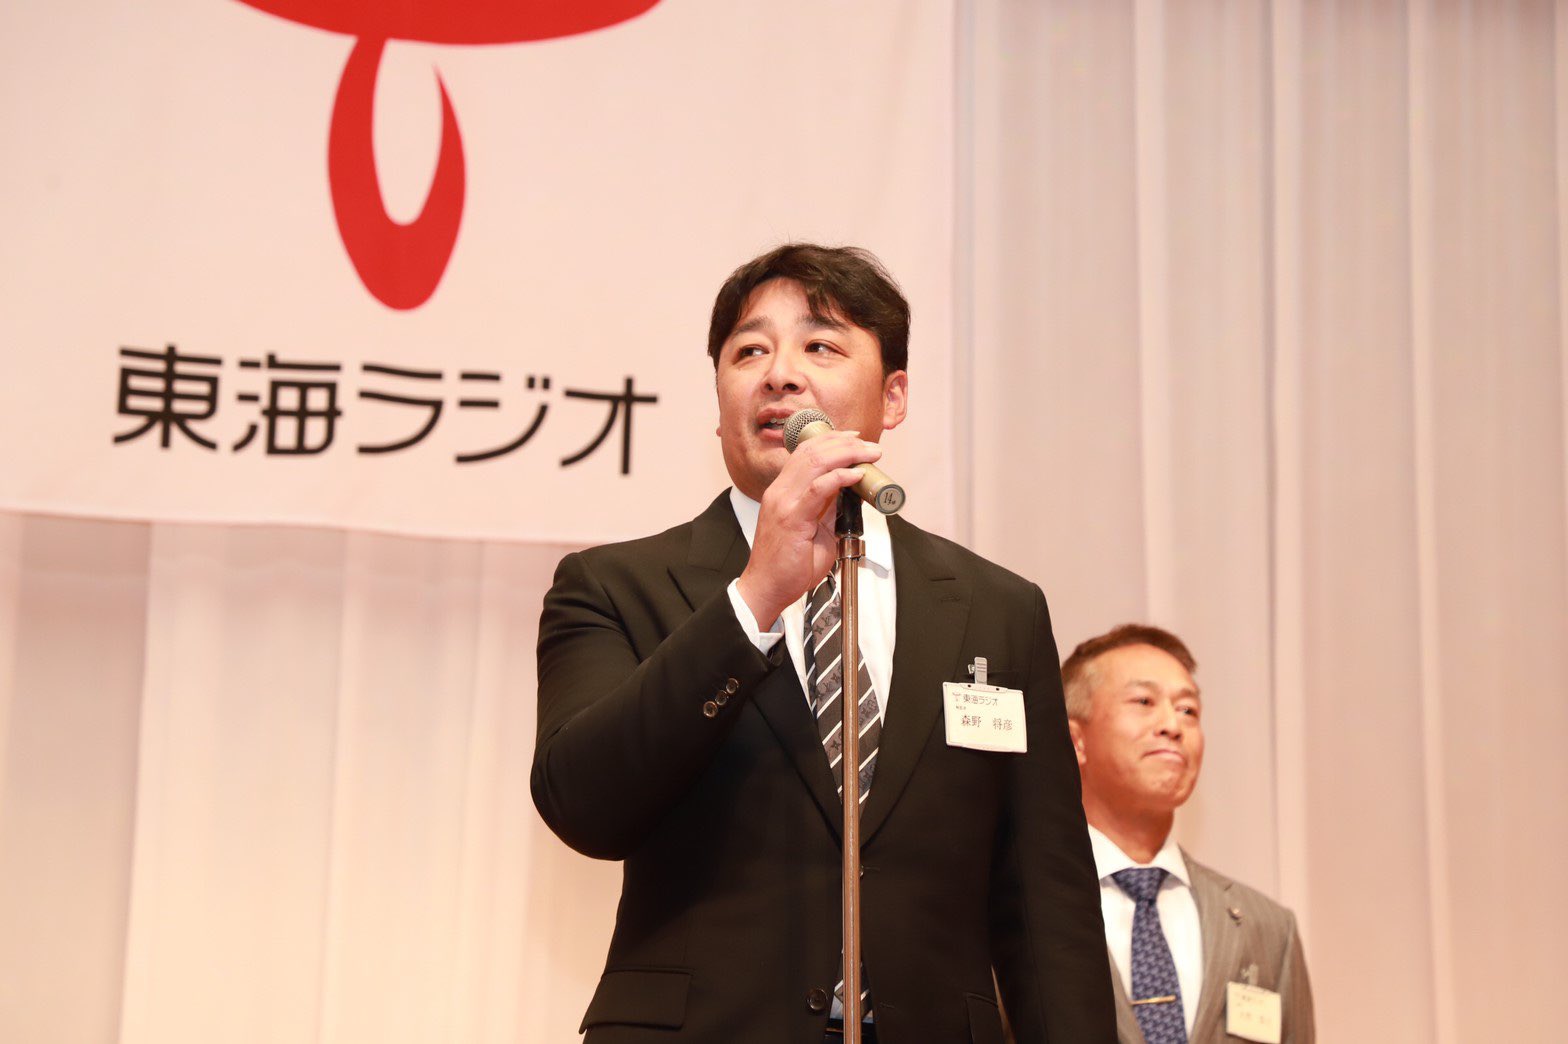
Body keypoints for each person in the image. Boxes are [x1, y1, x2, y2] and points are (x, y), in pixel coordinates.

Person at [532, 244, 1115, 1043]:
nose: (780, 374)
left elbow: (1047, 901)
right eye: (749, 352)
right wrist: (753, 599)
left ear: (894, 396)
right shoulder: (613, 586)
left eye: (821, 346)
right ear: (719, 402)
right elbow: (584, 806)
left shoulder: (998, 610)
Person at [1062, 624, 1314, 1044]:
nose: (1172, 725)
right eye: (1144, 701)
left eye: (1188, 710)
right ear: (1075, 740)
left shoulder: (1268, 928)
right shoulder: (1012, 909)